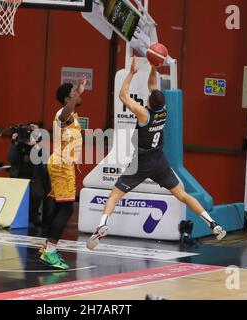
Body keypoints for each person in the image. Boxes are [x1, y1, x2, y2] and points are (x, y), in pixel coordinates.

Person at [87, 57, 226, 251]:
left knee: (114, 195)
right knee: (183, 195)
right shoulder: (164, 110)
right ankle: (212, 223)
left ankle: (102, 225)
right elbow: (153, 85)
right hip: (159, 161)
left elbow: (122, 96)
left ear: (148, 103)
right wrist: (154, 65)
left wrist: (131, 74)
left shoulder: (145, 114)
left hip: (142, 162)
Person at [39, 75, 86, 270]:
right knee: (66, 208)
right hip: (61, 165)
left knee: (60, 208)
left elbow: (72, 107)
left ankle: (47, 247)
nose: (78, 95)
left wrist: (78, 91)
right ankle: (50, 251)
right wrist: (74, 96)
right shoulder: (63, 114)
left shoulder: (71, 113)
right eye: (74, 93)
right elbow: (64, 115)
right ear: (67, 99)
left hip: (62, 164)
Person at [8, 123, 49, 228]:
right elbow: (11, 159)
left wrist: (35, 147)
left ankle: (33, 216)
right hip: (19, 178)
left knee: (37, 193)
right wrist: (15, 143)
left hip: (36, 179)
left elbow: (43, 165)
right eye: (30, 130)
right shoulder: (19, 143)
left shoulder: (42, 147)